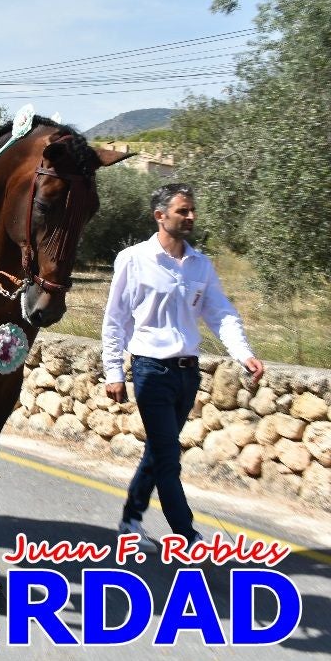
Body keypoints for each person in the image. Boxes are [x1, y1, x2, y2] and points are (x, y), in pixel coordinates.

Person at [102, 182, 265, 553]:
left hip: (187, 372)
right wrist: (113, 370)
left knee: (159, 451)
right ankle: (188, 537)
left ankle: (130, 519)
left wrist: (243, 353)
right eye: (182, 211)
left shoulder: (200, 265)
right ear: (160, 216)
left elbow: (221, 313)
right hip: (149, 370)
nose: (190, 216)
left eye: (192, 210)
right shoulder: (133, 259)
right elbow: (115, 320)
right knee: (168, 456)